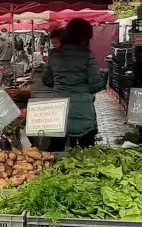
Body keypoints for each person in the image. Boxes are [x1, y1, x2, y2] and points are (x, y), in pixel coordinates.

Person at [42, 19, 104, 150]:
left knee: (56, 150)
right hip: (84, 110)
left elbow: (47, 80)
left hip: (59, 108)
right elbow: (96, 85)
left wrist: (60, 86)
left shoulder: (54, 54)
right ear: (86, 36)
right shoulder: (87, 55)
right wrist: (82, 90)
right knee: (88, 154)